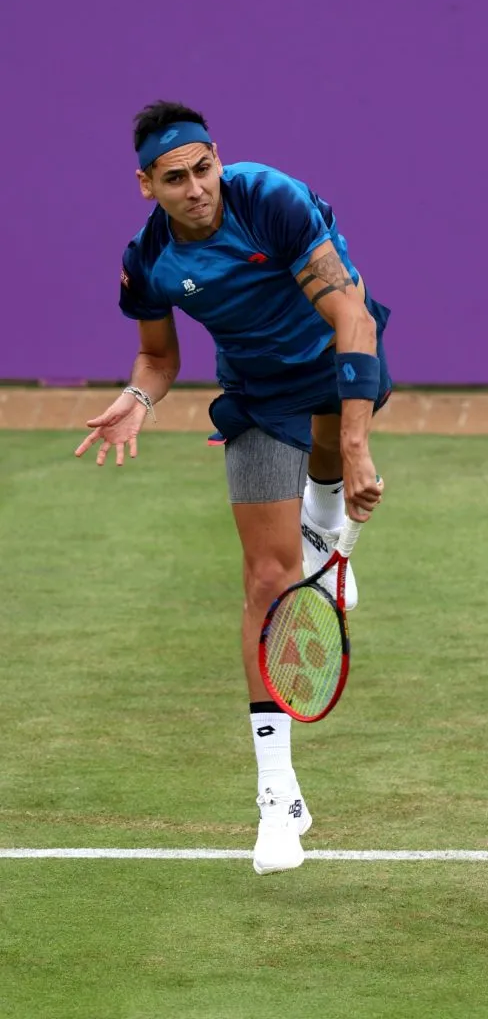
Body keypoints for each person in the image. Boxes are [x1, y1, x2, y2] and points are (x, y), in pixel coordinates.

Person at [74, 101, 392, 875]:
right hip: (253, 396)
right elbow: (159, 357)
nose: (195, 189)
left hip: (337, 362)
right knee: (264, 582)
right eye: (174, 178)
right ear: (146, 184)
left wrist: (355, 447)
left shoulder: (271, 201)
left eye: (202, 168)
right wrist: (139, 397)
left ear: (219, 157)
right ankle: (278, 797)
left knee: (328, 439)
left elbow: (352, 317)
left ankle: (322, 518)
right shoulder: (148, 260)